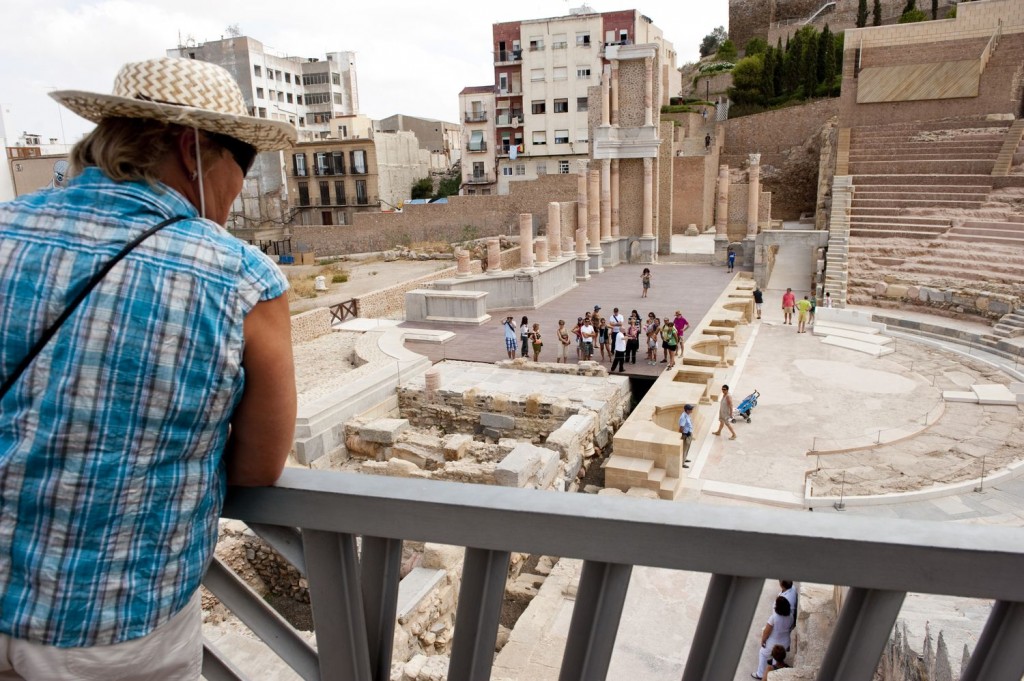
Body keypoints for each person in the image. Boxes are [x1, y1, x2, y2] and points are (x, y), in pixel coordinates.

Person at [0, 57, 297, 679]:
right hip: (111, 622)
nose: (243, 181)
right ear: (194, 150)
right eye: (242, 160)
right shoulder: (241, 276)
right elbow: (257, 465)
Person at [752, 597, 794, 679]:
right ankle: (775, 675)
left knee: (763, 653)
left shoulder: (774, 617)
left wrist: (763, 641)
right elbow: (790, 627)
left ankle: (760, 674)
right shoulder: (791, 616)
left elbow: (766, 632)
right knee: (777, 658)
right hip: (785, 641)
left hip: (773, 642)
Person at [679, 404, 695, 468]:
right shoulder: (683, 417)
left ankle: (685, 458)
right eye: (691, 409)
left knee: (687, 448)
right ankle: (682, 463)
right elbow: (681, 427)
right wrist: (683, 434)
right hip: (686, 435)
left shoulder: (687, 415)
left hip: (689, 433)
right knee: (684, 449)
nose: (692, 410)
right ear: (687, 410)